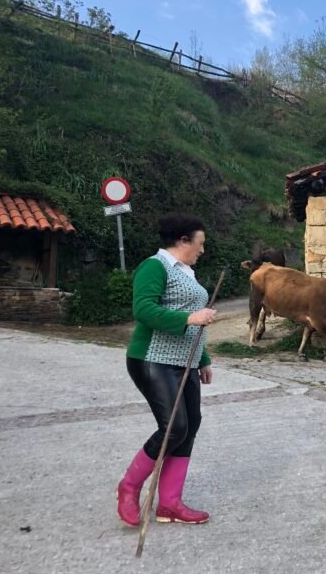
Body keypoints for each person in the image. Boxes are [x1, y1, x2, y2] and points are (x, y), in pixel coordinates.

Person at [116, 213, 217, 527]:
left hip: (184, 361)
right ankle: (128, 488)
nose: (202, 250)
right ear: (183, 240)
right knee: (174, 427)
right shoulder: (154, 266)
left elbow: (193, 318)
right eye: (199, 244)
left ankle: (170, 503)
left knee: (190, 424)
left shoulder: (187, 272)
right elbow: (143, 309)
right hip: (152, 358)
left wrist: (203, 359)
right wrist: (189, 319)